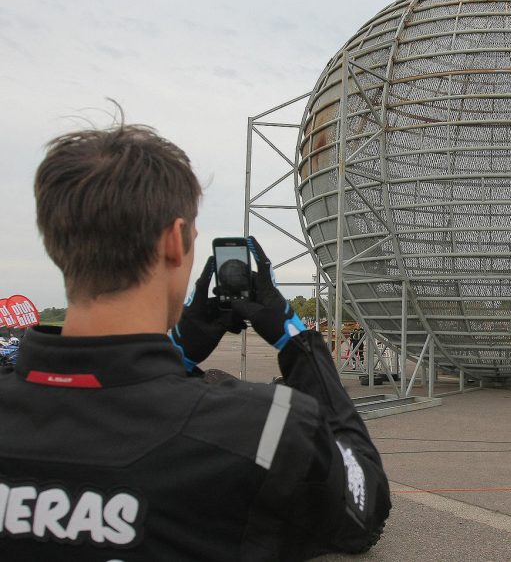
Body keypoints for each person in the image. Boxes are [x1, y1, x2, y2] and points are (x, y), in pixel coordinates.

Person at [0, 119, 390, 560]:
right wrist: (294, 339)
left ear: (56, 243)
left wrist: (178, 354)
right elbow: (365, 509)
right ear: (173, 241)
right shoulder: (262, 429)